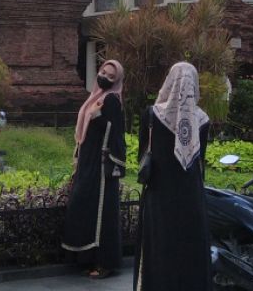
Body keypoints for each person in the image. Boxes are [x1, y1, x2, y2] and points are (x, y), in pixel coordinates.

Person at [134, 62, 211, 291]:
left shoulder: (152, 115)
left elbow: (142, 155)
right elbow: (200, 159)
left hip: (160, 194)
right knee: (190, 248)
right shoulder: (203, 120)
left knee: (160, 247)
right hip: (191, 196)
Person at [62, 59, 126, 279]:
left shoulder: (112, 100)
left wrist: (98, 118)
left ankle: (105, 263)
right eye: (103, 73)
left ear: (116, 81)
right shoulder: (96, 97)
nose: (104, 78)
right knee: (83, 206)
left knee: (101, 213)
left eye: (110, 77)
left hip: (101, 165)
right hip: (87, 162)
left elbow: (115, 131)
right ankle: (85, 258)